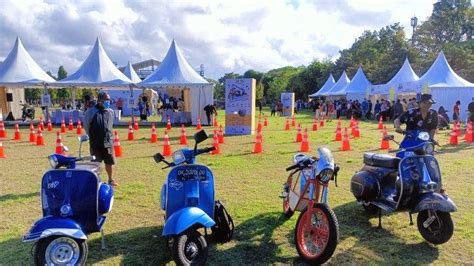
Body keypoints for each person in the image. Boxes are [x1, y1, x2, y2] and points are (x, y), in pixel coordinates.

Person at [83, 92, 119, 187]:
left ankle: (110, 179)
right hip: (96, 142)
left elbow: (110, 125)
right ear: (99, 101)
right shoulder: (90, 112)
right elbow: (86, 126)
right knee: (96, 163)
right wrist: (91, 135)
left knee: (109, 162)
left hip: (108, 141)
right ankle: (96, 180)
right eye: (105, 100)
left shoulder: (110, 111)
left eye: (108, 100)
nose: (108, 102)